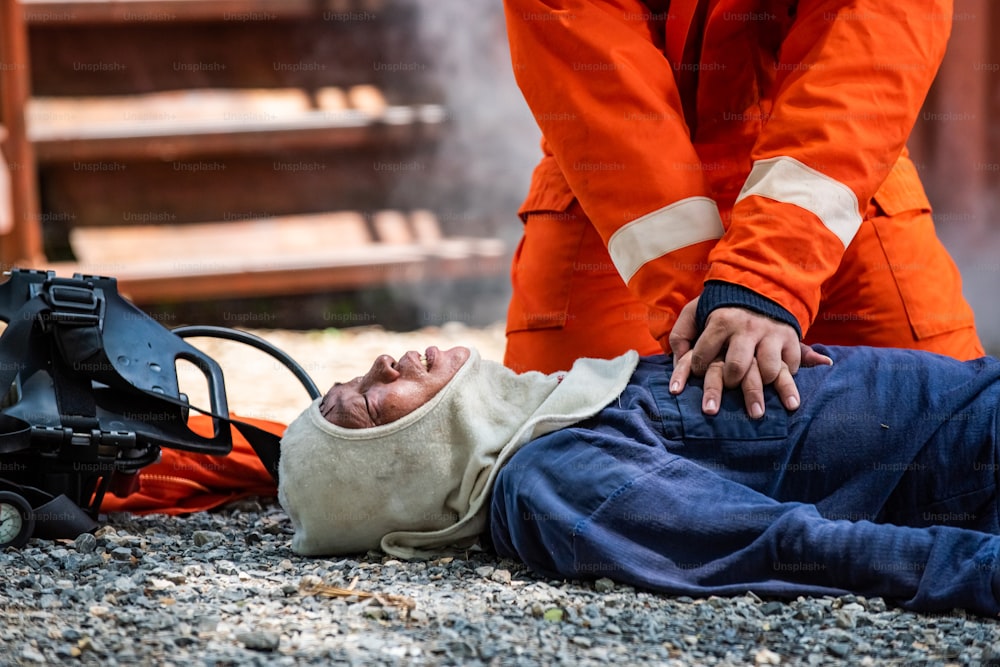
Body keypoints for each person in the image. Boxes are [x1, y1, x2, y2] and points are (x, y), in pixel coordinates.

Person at [500, 0, 983, 414]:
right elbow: (589, 65)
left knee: (953, 422)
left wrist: (762, 280)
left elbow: (872, 30)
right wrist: (723, 311)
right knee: (554, 441)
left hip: (827, 173)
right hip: (614, 194)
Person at [278, 343, 1000, 617]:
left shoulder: (549, 420)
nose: (380, 363)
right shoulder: (547, 480)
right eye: (367, 404)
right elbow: (786, 544)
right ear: (399, 473)